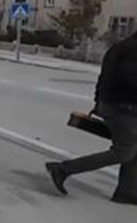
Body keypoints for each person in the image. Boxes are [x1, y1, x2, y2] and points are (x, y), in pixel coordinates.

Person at [46, 30, 137, 205]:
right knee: (124, 152)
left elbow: (103, 78)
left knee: (133, 149)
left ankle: (127, 191)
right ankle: (62, 169)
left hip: (113, 105)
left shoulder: (119, 47)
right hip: (125, 109)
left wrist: (98, 103)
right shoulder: (132, 51)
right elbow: (131, 83)